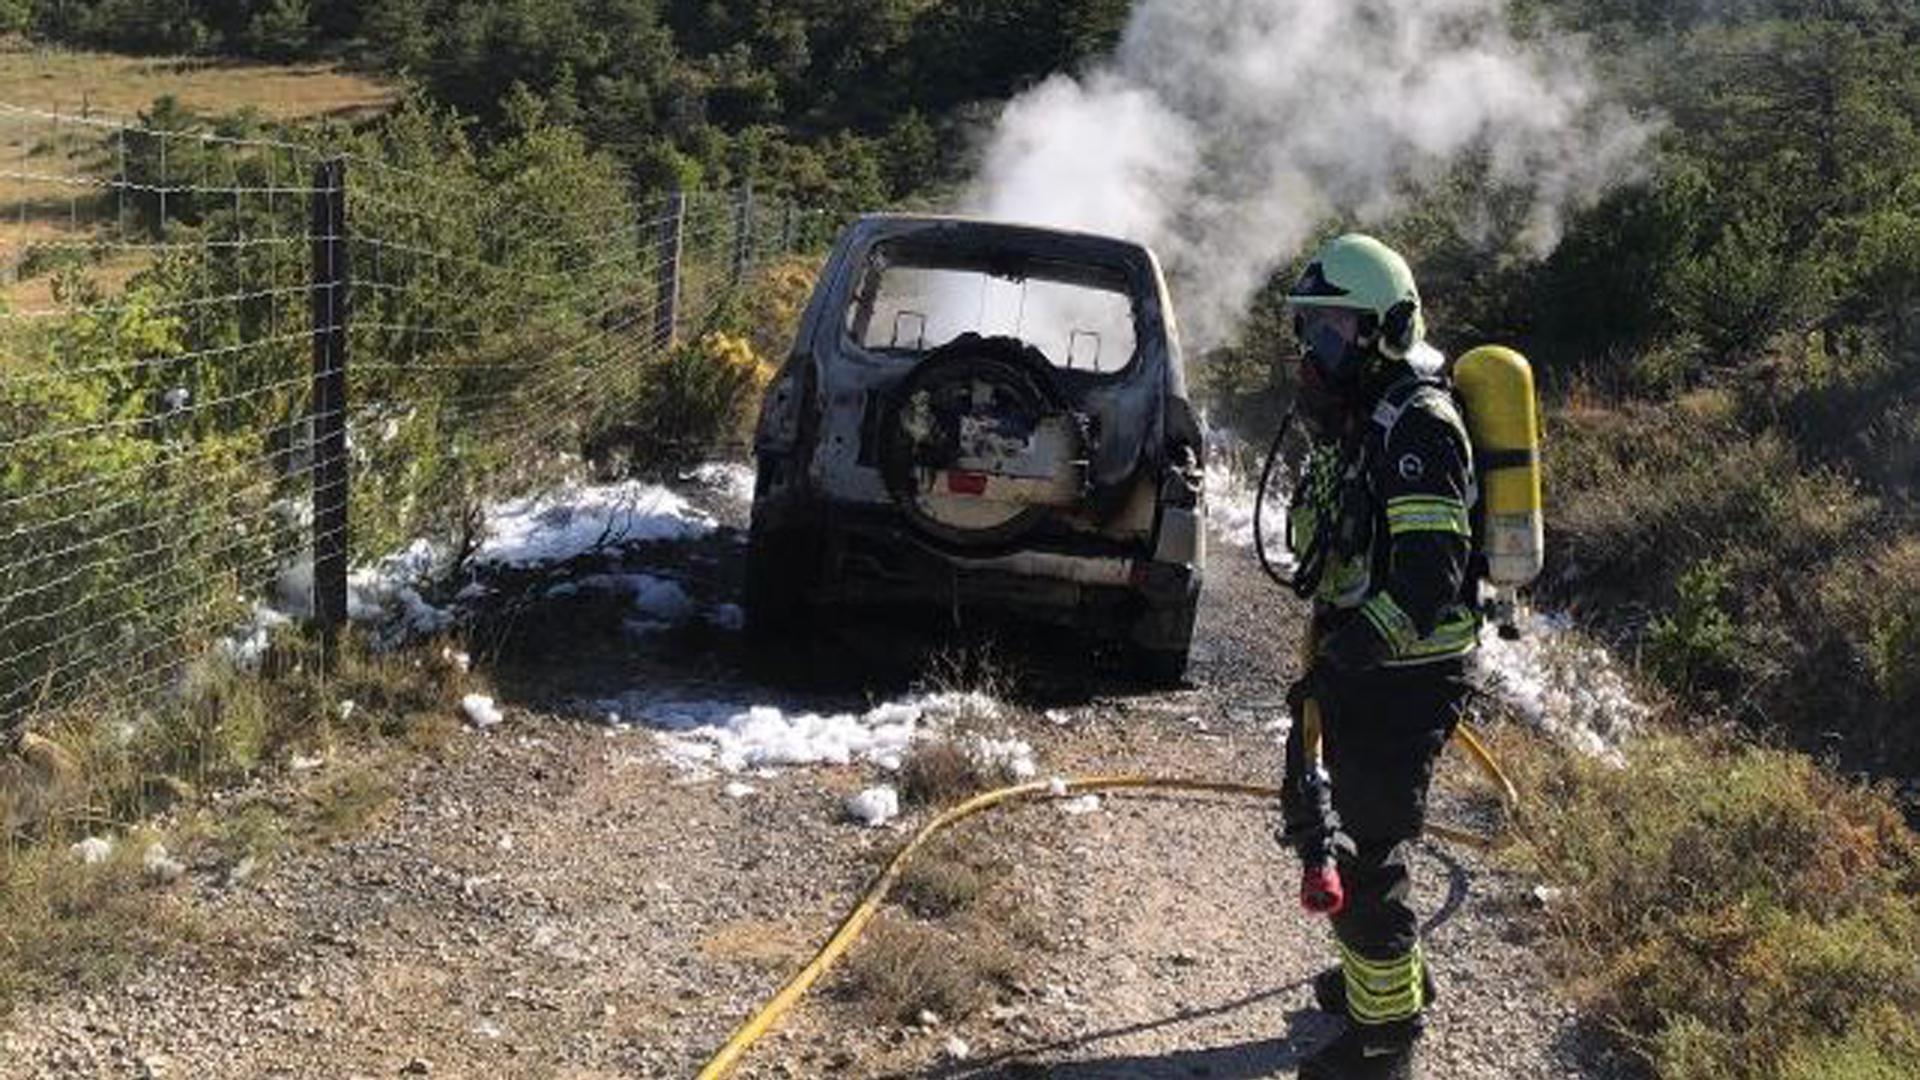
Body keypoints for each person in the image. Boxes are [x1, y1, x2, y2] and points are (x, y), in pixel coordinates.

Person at [1278, 234, 1480, 1080]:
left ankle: (1384, 1045)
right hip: (1370, 665)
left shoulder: (1417, 425)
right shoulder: (1368, 417)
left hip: (1405, 674)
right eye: (1311, 331)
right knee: (1345, 831)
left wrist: (1361, 647)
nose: (1316, 351)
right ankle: (1384, 982)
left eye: (1333, 332)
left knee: (1367, 855)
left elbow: (1431, 572)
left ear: (1385, 330)